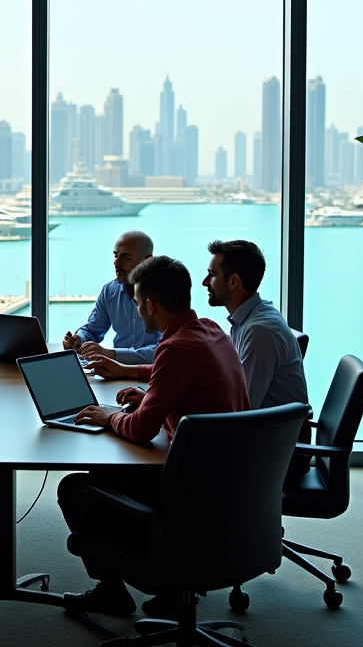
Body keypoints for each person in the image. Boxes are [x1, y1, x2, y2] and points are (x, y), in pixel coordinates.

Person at [62, 256, 250, 618]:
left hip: (192, 491)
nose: (136, 308)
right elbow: (179, 374)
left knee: (77, 488)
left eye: (135, 302)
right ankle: (173, 591)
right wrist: (149, 391)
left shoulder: (175, 349)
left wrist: (109, 416)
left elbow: (140, 429)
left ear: (149, 305)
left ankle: (113, 592)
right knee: (106, 476)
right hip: (229, 481)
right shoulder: (210, 330)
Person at [201, 239, 308, 411]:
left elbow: (243, 407)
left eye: (212, 274)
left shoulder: (259, 331)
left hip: (268, 435)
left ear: (233, 281)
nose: (205, 282)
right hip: (263, 428)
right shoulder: (252, 316)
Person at [62, 230, 159, 364]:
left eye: (126, 257)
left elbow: (163, 351)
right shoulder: (109, 291)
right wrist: (78, 340)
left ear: (147, 261)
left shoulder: (163, 295)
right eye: (116, 255)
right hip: (117, 371)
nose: (116, 263)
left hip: (152, 374)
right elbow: (93, 330)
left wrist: (110, 354)